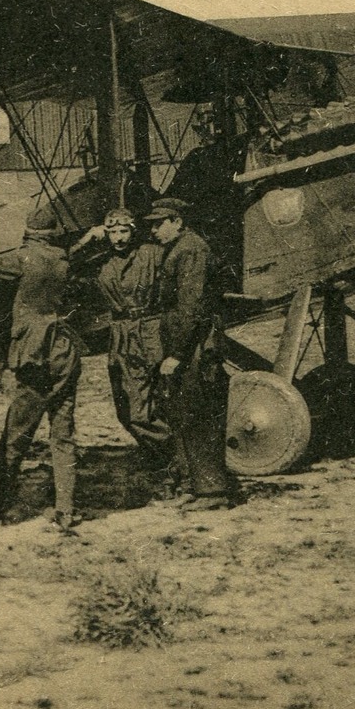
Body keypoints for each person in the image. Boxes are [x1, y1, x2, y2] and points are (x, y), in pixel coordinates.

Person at [0, 205, 104, 530]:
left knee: (17, 434)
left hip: (35, 354)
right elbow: (70, 256)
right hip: (64, 351)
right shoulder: (62, 259)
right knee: (63, 434)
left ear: (29, 232)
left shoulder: (23, 258)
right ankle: (65, 510)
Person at [144, 197, 241, 511]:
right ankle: (192, 486)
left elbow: (191, 308)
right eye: (152, 224)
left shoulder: (191, 250)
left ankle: (213, 492)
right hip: (186, 346)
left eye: (160, 223)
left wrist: (176, 354)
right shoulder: (179, 249)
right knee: (182, 414)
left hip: (195, 347)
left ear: (178, 221)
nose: (155, 230)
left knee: (198, 416)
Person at [93, 208, 179, 482]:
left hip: (152, 331)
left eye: (124, 231)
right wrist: (87, 240)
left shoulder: (152, 253)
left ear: (133, 230)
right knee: (128, 409)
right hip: (121, 337)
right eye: (112, 232)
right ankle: (171, 458)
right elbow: (65, 263)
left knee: (159, 403)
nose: (118, 238)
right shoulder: (99, 261)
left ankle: (175, 465)